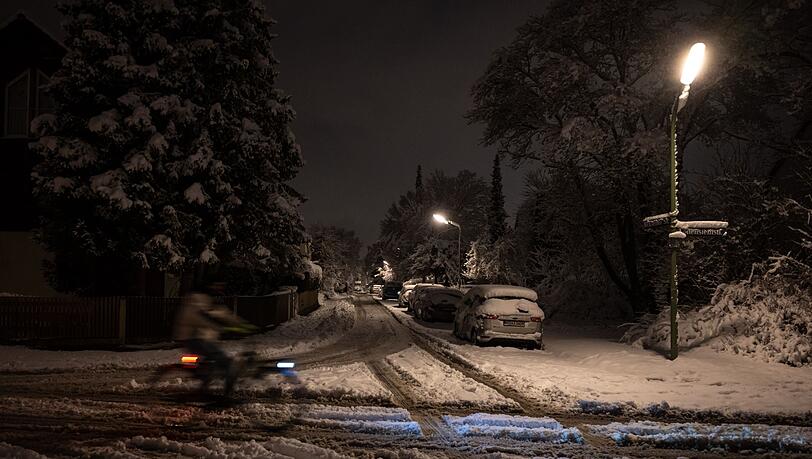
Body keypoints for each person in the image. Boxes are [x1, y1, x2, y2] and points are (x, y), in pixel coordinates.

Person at [173, 282, 254, 396]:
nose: (219, 288)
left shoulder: (210, 300)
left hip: (204, 338)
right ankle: (226, 395)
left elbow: (225, 314)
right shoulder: (196, 299)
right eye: (216, 285)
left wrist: (245, 325)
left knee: (213, 364)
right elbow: (201, 318)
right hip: (193, 338)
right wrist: (221, 327)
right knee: (226, 363)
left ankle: (205, 385)